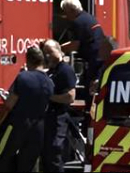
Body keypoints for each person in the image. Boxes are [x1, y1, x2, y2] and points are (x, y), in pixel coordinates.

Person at [0, 45, 54, 172]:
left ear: (27, 60)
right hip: (38, 127)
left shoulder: (23, 77)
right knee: (28, 163)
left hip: (18, 124)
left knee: (1, 158)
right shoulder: (50, 82)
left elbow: (9, 104)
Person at [41, 40, 78, 173]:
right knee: (46, 155)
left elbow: (70, 96)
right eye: (45, 53)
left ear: (59, 50)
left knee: (54, 153)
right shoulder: (52, 70)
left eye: (50, 52)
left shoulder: (65, 70)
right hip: (48, 117)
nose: (47, 56)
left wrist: (49, 97)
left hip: (59, 117)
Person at [58, 0, 106, 91]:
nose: (65, 15)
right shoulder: (88, 17)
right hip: (101, 58)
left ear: (71, 10)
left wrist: (57, 49)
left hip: (94, 61)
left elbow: (75, 44)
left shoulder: (78, 22)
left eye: (65, 11)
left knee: (91, 89)